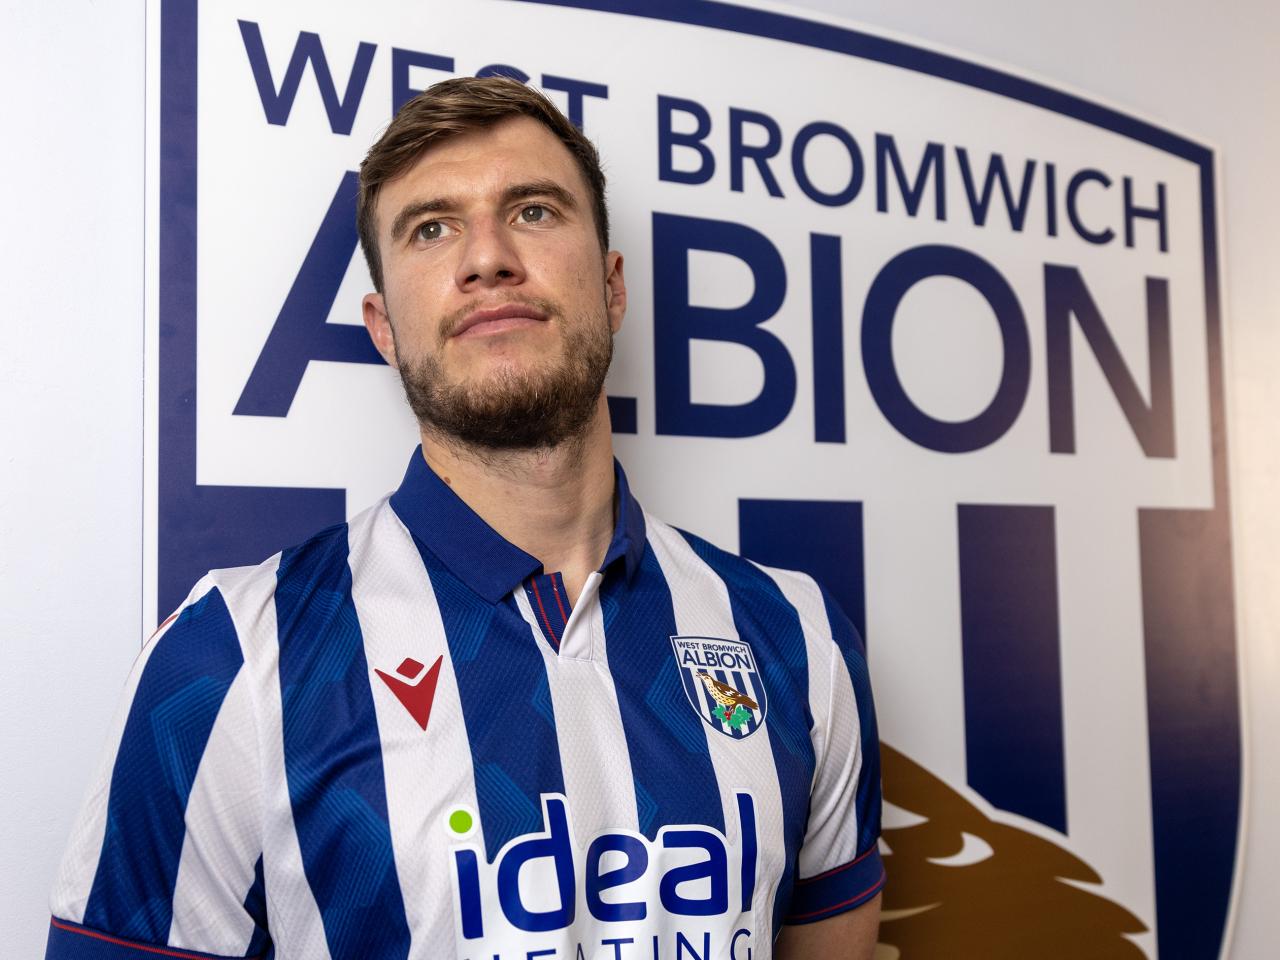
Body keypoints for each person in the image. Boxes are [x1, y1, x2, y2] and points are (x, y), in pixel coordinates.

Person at [44, 76, 883, 960]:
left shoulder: (796, 637)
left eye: (533, 211)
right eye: (432, 229)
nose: (487, 258)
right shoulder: (232, 659)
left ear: (612, 287)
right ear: (384, 327)